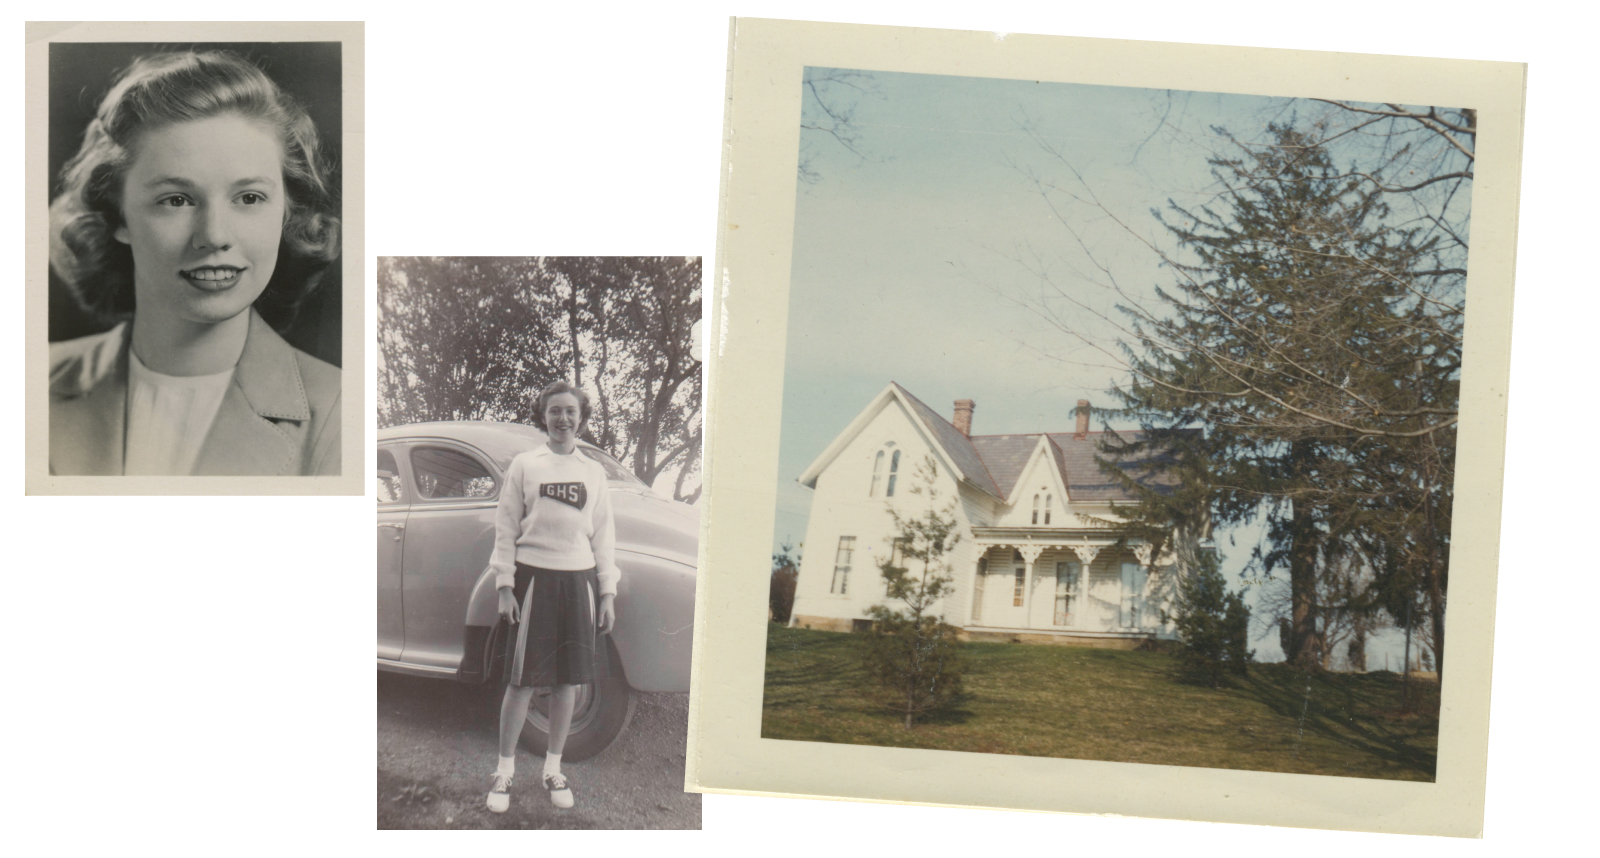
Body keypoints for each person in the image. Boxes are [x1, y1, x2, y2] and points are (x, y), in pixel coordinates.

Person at [47, 50, 341, 476]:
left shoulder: (343, 412)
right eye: (176, 200)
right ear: (117, 215)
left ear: (285, 211)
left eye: (249, 198)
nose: (215, 236)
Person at [486, 381, 619, 812]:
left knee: (568, 682)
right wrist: (505, 586)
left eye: (570, 411)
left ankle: (553, 768)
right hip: (533, 580)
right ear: (542, 416)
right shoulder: (526, 465)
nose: (563, 418)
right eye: (554, 410)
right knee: (522, 681)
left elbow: (604, 536)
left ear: (581, 417)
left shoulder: (593, 472)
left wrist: (607, 592)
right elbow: (506, 526)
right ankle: (504, 772)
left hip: (577, 580)